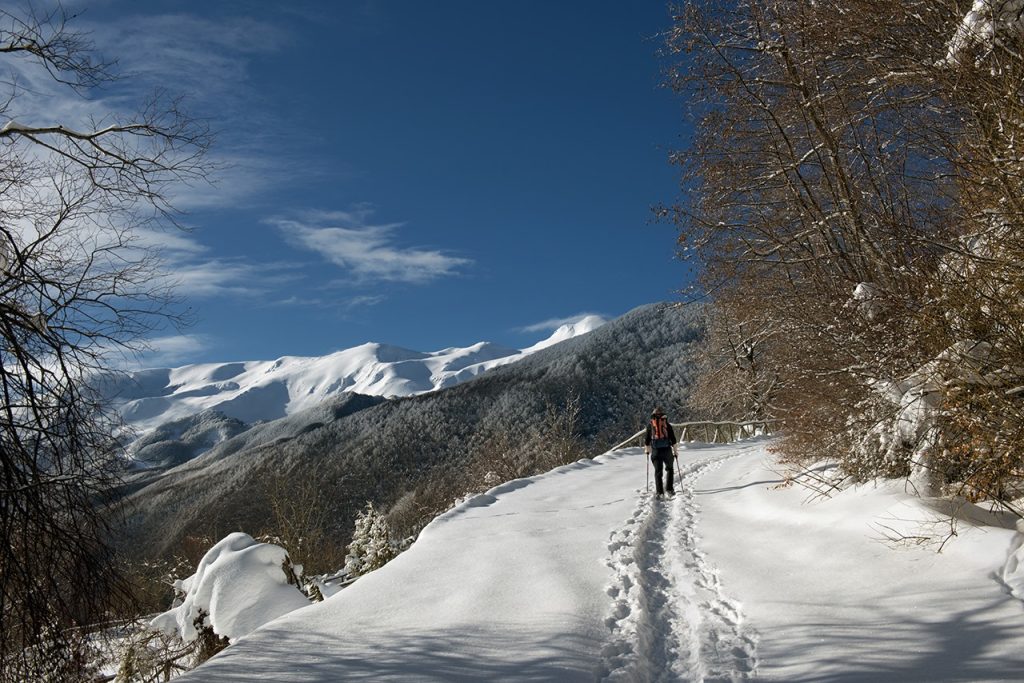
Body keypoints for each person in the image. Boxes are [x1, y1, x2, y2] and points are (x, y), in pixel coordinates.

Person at [644, 407, 678, 497]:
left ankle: (659, 492)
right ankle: (669, 490)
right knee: (670, 469)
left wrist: (647, 451)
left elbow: (647, 440)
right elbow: (673, 439)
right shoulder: (667, 425)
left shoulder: (650, 426)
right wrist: (675, 451)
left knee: (658, 472)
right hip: (667, 450)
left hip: (656, 451)